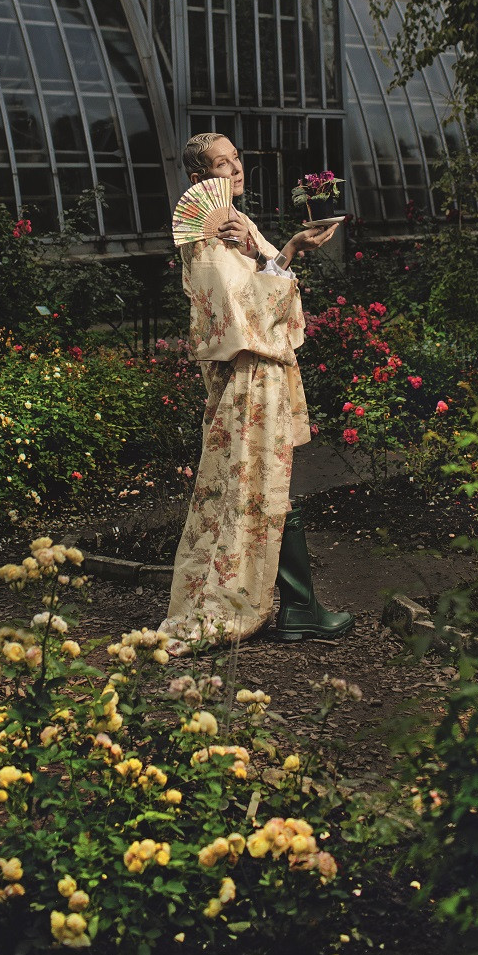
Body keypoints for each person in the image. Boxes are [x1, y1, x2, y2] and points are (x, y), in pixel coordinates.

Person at [159, 131, 355, 645]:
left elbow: (265, 284)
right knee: (253, 483)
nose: (236, 168)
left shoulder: (239, 224)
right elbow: (235, 311)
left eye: (236, 158)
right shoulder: (204, 237)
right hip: (245, 374)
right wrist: (287, 249)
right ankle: (297, 607)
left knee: (267, 482)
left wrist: (279, 249)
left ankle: (300, 606)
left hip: (264, 368)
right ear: (200, 179)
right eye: (222, 164)